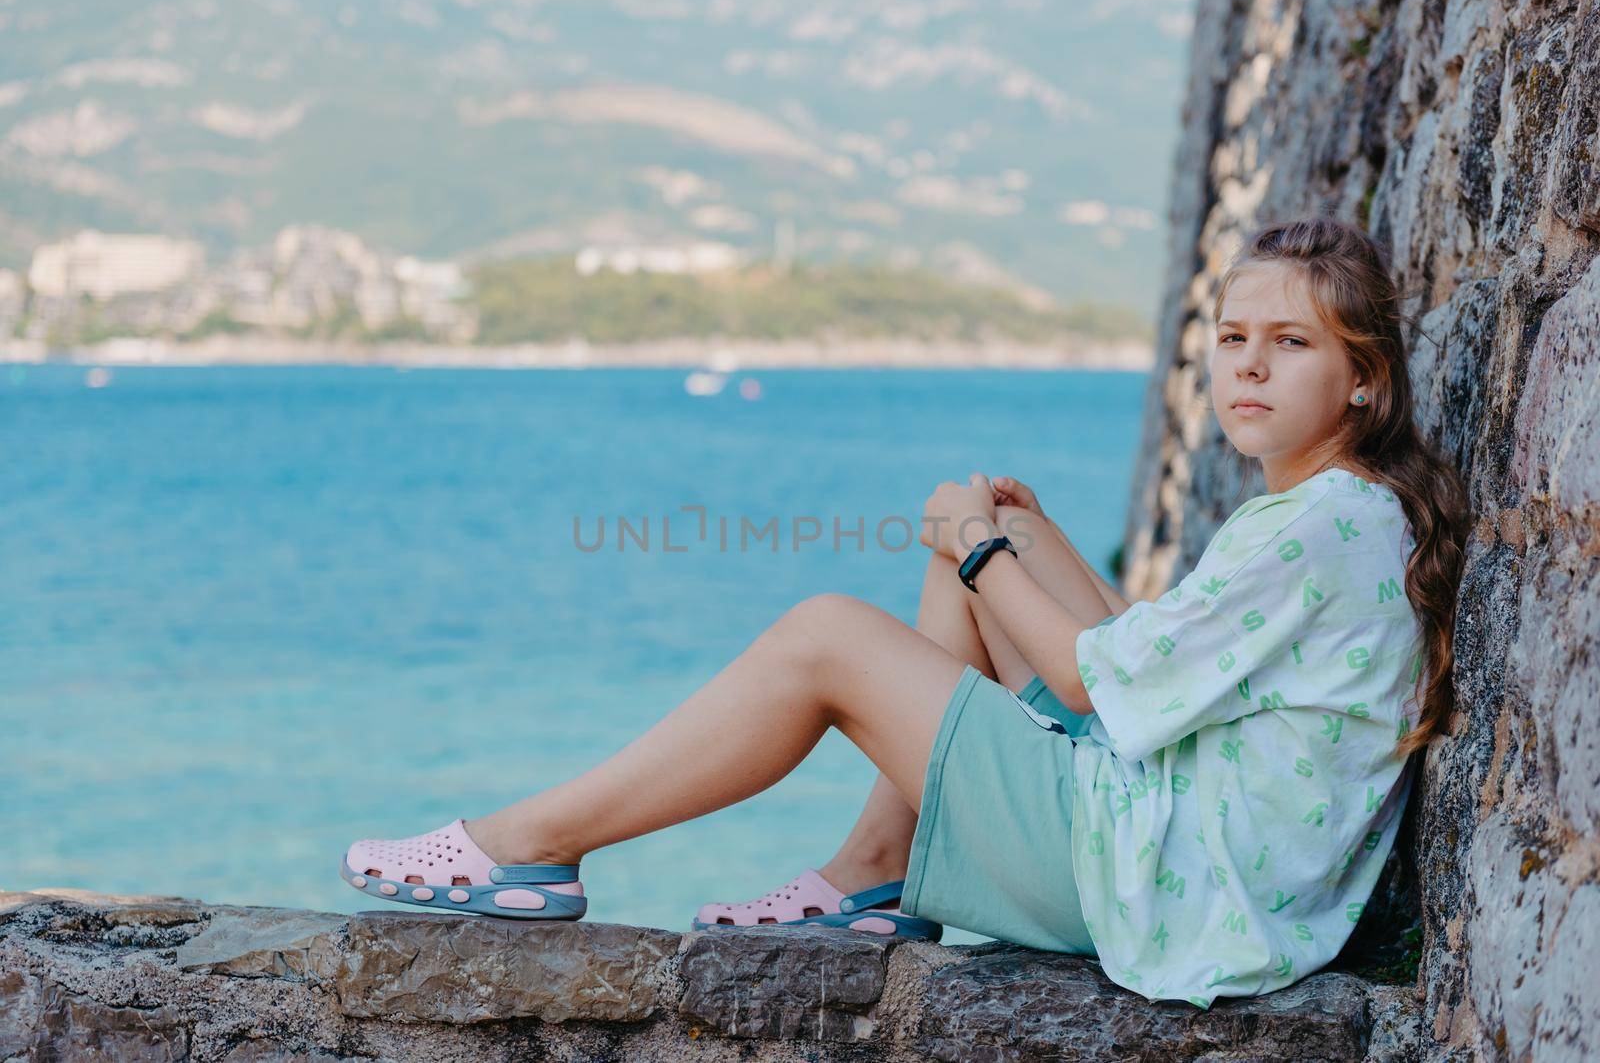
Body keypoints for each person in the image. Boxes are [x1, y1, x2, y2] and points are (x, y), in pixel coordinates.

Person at [338, 216, 1470, 1008]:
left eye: (1290, 344)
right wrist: (1016, 545)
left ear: (1361, 376)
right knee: (980, 546)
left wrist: (984, 551)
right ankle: (874, 874)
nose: (1249, 370)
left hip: (1165, 888)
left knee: (830, 632)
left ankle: (528, 846)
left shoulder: (1316, 526)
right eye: (1232, 340)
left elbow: (1088, 687)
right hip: (1194, 858)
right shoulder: (1339, 512)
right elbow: (1148, 664)